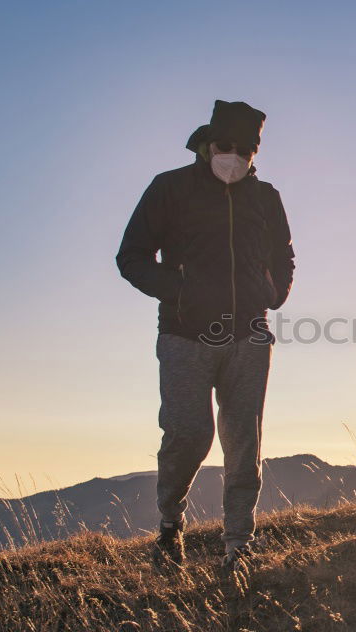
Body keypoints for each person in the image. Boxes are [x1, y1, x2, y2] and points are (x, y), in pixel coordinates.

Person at [115, 100, 295, 573]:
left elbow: (285, 255)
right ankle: (171, 526)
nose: (232, 156)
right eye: (224, 146)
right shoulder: (169, 189)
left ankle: (238, 545)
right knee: (188, 434)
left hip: (250, 336)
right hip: (185, 337)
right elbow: (131, 257)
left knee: (243, 445)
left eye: (244, 149)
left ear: (255, 152)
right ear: (206, 143)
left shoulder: (266, 198)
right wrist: (179, 290)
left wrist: (275, 293)